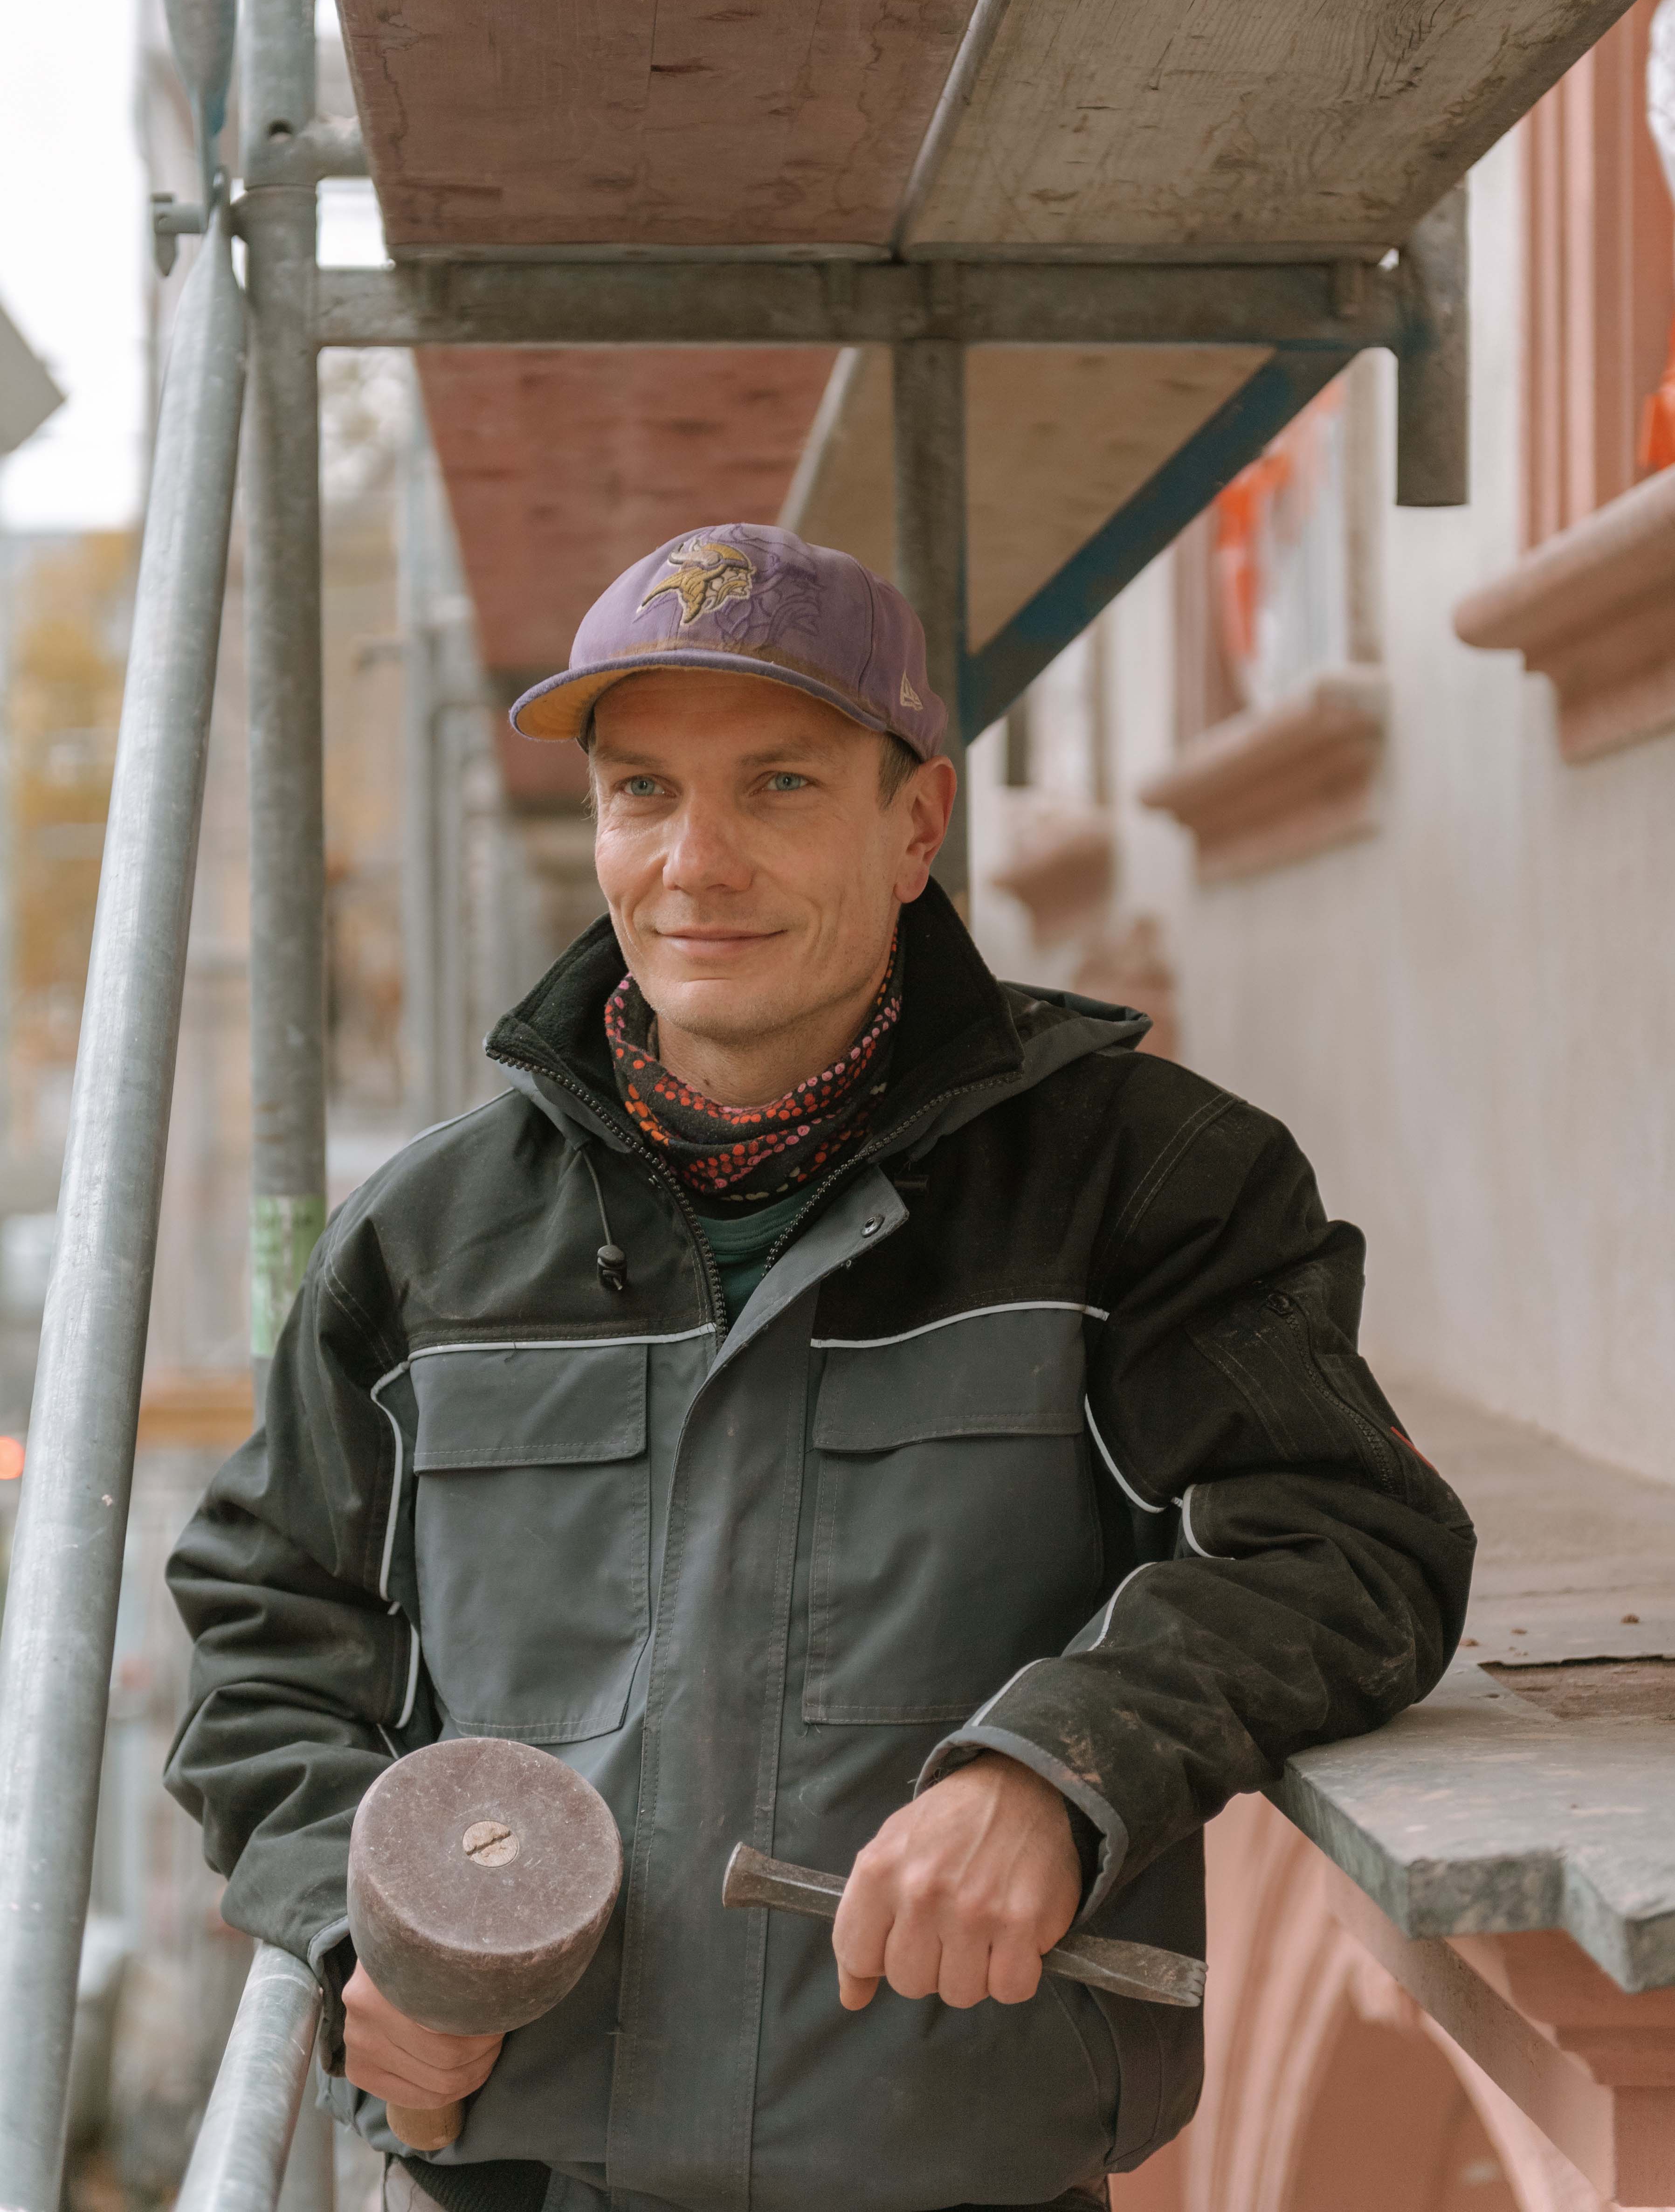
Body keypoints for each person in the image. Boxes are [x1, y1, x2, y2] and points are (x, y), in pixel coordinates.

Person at [166, 524, 1474, 2212]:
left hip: (960, 2180)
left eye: (776, 786)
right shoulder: (427, 1243)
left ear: (915, 821)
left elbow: (1344, 1543)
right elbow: (269, 1639)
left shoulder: (1142, 1188)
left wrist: (1060, 1768)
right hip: (527, 2182)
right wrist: (367, 1931)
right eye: (641, 792)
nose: (694, 863)